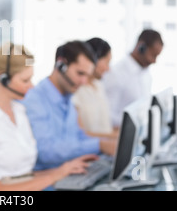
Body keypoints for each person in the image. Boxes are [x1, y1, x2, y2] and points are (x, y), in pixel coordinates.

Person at [0, 42, 99, 191]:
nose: (32, 86)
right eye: (25, 80)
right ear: (3, 78)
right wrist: (53, 176)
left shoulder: (19, 111)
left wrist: (64, 170)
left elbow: (24, 175)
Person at [21, 40, 117, 172]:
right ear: (61, 65)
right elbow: (45, 151)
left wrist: (109, 143)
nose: (84, 82)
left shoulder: (69, 98)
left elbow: (78, 136)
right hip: (47, 179)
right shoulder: (34, 100)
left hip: (72, 173)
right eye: (80, 74)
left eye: (87, 76)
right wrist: (98, 145)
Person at [102, 29, 163, 129]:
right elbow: (108, 116)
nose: (154, 61)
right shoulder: (116, 73)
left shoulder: (145, 73)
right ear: (141, 47)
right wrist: (133, 125)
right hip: (123, 134)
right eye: (153, 55)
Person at [73, 37, 118, 139]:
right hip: (93, 150)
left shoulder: (99, 85)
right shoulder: (76, 90)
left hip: (108, 148)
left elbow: (104, 126)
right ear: (94, 59)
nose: (108, 69)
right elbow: (81, 134)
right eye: (106, 62)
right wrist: (115, 136)